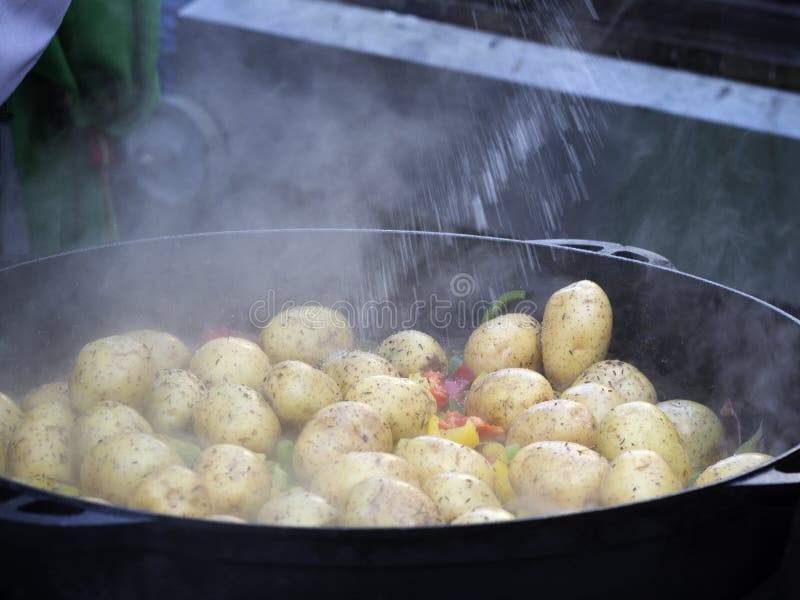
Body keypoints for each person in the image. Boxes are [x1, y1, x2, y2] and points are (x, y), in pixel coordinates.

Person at [0, 0, 160, 256]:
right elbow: (98, 26)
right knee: (60, 262)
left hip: (18, 99)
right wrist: (112, 103)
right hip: (48, 113)